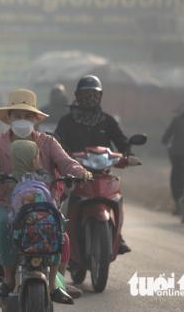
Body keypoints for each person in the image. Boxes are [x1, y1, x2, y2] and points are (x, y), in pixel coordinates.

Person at [0, 89, 91, 298]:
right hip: (8, 205)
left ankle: (56, 282)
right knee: (2, 223)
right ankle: (8, 278)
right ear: (8, 118)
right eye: (17, 115)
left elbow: (66, 162)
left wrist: (79, 172)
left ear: (35, 119)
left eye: (27, 115)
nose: (22, 120)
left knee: (60, 230)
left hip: (44, 204)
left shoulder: (48, 142)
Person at [55, 75, 139, 255]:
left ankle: (117, 234)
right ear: (78, 95)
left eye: (94, 93)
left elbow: (121, 141)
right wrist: (63, 155)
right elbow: (57, 142)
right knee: (61, 204)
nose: (90, 97)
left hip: (102, 174)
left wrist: (130, 154)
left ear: (100, 96)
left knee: (117, 196)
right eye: (86, 93)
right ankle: (57, 235)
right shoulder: (67, 121)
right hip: (74, 176)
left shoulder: (108, 121)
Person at [8, 140, 73, 304]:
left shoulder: (11, 178)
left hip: (23, 231)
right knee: (61, 237)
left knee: (17, 249)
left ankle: (15, 286)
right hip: (46, 230)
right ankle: (54, 285)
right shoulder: (46, 177)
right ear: (34, 161)